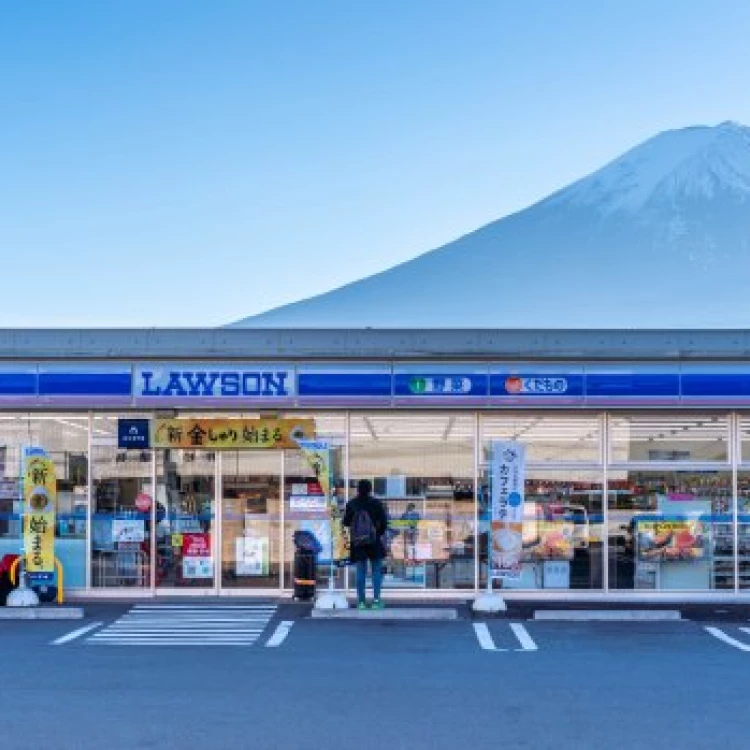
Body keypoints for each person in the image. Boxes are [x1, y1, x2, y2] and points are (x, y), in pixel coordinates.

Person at [343, 479, 388, 610]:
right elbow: (384, 523)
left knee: (360, 571)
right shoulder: (376, 503)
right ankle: (376, 600)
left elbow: (346, 522)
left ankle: (361, 602)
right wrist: (377, 534)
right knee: (376, 571)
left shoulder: (351, 504)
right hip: (374, 541)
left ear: (358, 489)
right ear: (370, 489)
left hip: (358, 543)